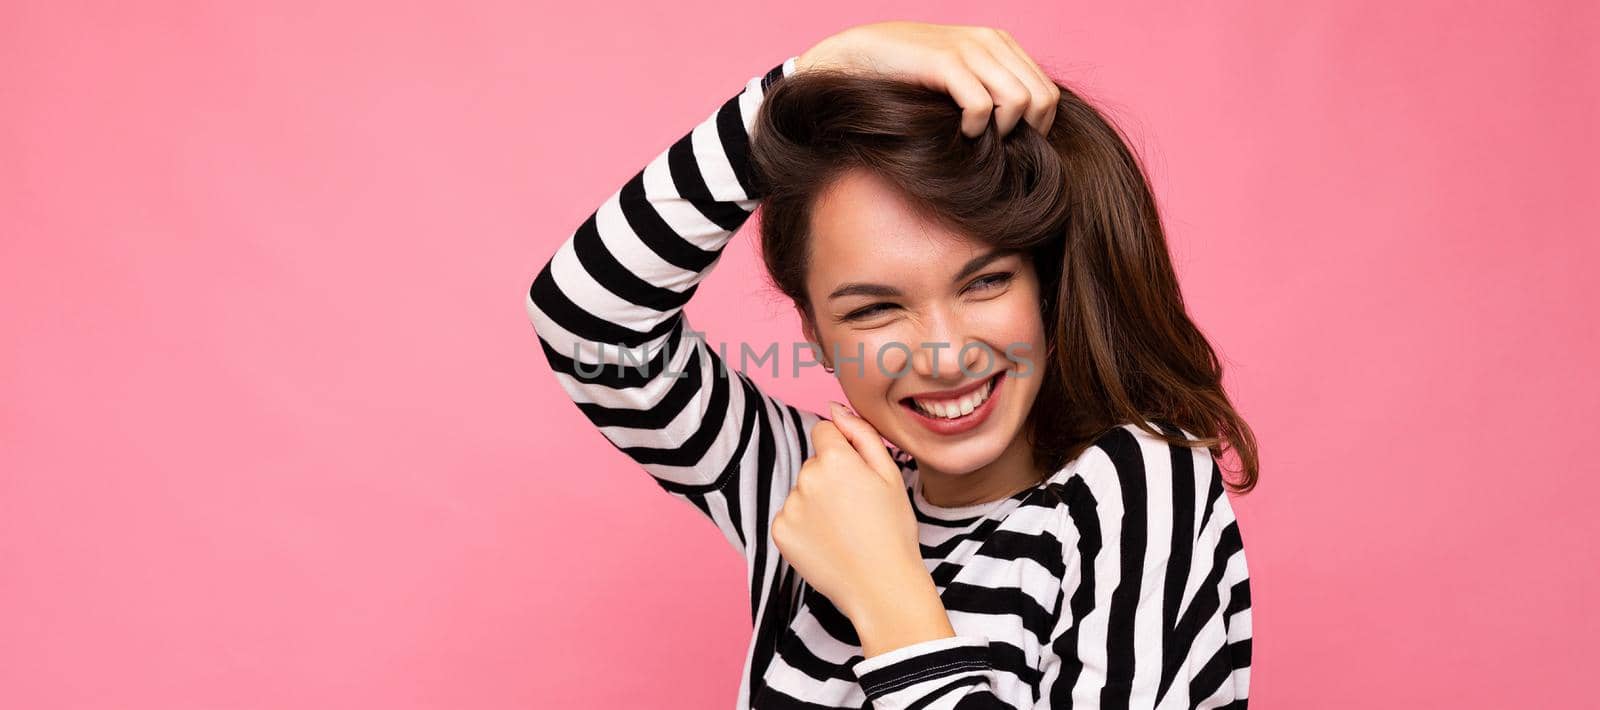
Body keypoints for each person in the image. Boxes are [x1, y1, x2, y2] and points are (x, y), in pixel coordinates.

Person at [526, 20, 1256, 709]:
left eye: (985, 282)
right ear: (813, 331)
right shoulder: (813, 488)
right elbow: (587, 321)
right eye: (873, 309)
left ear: (1047, 286)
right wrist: (813, 75)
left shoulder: (1132, 484)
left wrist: (885, 593)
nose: (943, 354)